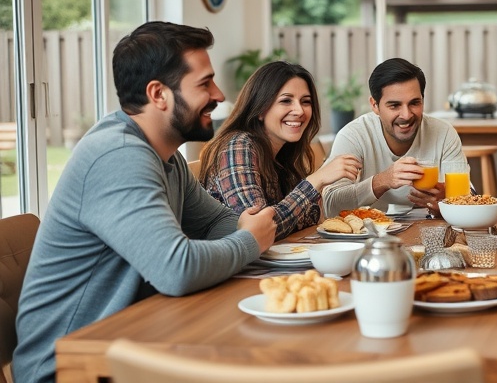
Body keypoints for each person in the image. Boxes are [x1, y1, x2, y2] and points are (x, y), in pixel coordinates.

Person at [13, 22, 277, 383]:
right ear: (158, 94)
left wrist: (240, 235)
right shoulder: (118, 155)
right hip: (69, 368)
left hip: (137, 339)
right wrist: (249, 242)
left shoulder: (167, 158)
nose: (219, 94)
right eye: (204, 83)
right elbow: (177, 270)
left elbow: (218, 222)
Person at [199, 61, 360, 240]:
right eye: (285, 101)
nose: (299, 110)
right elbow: (258, 230)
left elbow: (310, 217)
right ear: (260, 109)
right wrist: (317, 180)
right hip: (232, 266)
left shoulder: (284, 152)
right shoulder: (238, 146)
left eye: (305, 102)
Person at [321, 58, 466, 217]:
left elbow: (465, 197)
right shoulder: (353, 136)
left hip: (429, 228)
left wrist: (446, 203)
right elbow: (330, 205)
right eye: (394, 105)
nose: (406, 115)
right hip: (370, 233)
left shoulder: (443, 132)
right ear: (374, 105)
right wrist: (382, 181)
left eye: (414, 103)